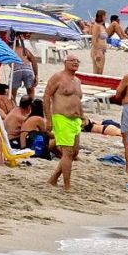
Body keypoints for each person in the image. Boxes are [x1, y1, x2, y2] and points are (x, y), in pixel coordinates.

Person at [44, 53, 84, 190]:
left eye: (77, 61)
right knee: (67, 152)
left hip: (75, 119)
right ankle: (67, 186)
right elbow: (47, 96)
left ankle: (53, 179)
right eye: (72, 60)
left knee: (74, 152)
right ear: (65, 62)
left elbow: (78, 101)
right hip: (61, 118)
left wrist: (83, 116)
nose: (75, 63)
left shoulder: (77, 81)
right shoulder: (58, 77)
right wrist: (48, 119)